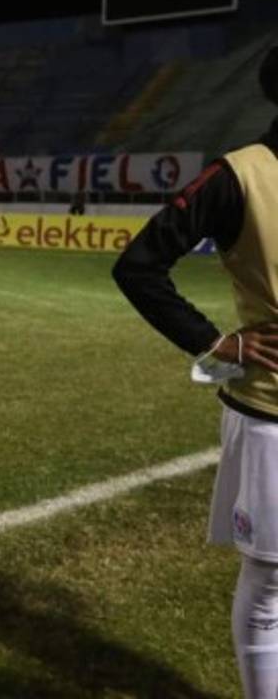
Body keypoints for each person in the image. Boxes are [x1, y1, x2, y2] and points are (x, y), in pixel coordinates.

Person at [113, 46, 278, 698]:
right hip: (270, 415)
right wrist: (215, 342)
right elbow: (139, 266)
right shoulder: (240, 175)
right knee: (270, 584)